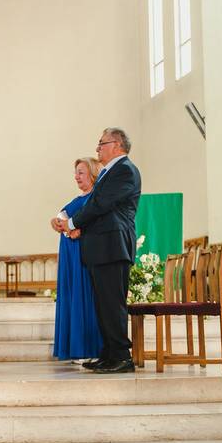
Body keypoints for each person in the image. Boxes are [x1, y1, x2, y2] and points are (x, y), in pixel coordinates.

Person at [53, 128, 141, 374]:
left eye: (101, 143)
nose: (98, 148)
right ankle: (109, 354)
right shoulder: (109, 173)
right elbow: (94, 203)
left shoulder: (124, 170)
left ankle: (122, 357)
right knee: (103, 304)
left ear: (117, 145)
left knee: (113, 304)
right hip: (102, 247)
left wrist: (72, 224)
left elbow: (101, 204)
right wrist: (77, 226)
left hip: (113, 246)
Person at [52, 158, 104, 363]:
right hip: (69, 252)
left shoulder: (95, 198)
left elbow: (93, 222)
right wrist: (55, 222)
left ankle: (87, 348)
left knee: (83, 296)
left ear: (92, 174)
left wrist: (77, 229)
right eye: (76, 173)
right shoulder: (79, 198)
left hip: (82, 252)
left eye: (81, 172)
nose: (76, 176)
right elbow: (62, 215)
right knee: (72, 295)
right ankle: (73, 346)